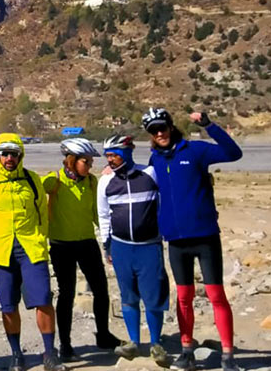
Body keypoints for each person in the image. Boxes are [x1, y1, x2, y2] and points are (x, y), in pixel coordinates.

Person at [144, 109, 243, 371]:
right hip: (176, 241)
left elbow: (234, 153)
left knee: (216, 295)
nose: (159, 133)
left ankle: (228, 355)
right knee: (184, 297)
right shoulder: (154, 160)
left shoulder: (195, 150)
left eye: (162, 127)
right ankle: (187, 351)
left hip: (205, 236)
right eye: (153, 131)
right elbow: (140, 182)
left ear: (170, 127)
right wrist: (113, 169)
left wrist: (209, 125)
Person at [0, 133, 66, 371]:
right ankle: (16, 354)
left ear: (21, 155)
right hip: (0, 250)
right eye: (5, 154)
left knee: (43, 300)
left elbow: (42, 210)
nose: (10, 158)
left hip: (30, 248)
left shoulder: (31, 179)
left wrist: (41, 238)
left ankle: (50, 353)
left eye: (14, 154)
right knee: (8, 305)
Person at [42, 138, 121, 360]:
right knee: (66, 293)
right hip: (61, 245)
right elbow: (32, 198)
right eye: (86, 161)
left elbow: (99, 213)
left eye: (91, 161)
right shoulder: (53, 180)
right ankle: (65, 345)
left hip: (87, 242)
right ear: (71, 161)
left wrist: (109, 242)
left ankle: (103, 335)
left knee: (101, 290)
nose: (90, 165)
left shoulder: (92, 182)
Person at [97, 134, 171, 368]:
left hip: (149, 246)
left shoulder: (150, 174)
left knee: (153, 298)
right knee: (128, 297)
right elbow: (103, 215)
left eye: (115, 155)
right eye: (108, 156)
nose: (110, 160)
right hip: (121, 247)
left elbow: (165, 202)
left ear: (127, 153)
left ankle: (156, 343)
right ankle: (133, 342)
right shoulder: (106, 182)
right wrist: (106, 244)